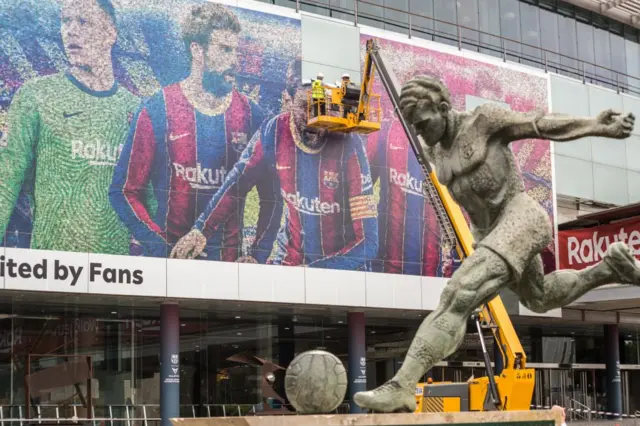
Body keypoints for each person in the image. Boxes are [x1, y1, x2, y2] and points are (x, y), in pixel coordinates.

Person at [354, 75, 639, 413]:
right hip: (493, 236)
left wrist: (595, 125)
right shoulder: (434, 149)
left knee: (458, 294)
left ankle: (402, 386)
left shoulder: (483, 121)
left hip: (521, 217)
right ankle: (607, 270)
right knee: (540, 297)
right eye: (415, 127)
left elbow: (539, 124)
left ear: (444, 108)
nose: (421, 132)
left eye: (424, 123)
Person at [169, 58, 379, 270]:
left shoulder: (349, 145)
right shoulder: (273, 132)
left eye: (321, 108)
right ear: (288, 99)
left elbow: (368, 242)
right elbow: (236, 185)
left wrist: (317, 272)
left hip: (339, 270)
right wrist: (200, 230)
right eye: (305, 107)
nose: (313, 118)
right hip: (292, 260)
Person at [109, 3, 267, 260]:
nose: (234, 60)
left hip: (231, 273)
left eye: (235, 51)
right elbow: (123, 190)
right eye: (224, 49)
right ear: (197, 50)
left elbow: (272, 195)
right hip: (171, 267)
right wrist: (160, 248)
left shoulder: (253, 116)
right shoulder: (157, 108)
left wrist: (257, 255)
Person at [0, 0, 140, 255]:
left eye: (83, 22)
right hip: (51, 270)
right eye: (66, 21)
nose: (70, 31)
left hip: (118, 275)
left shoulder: (136, 108)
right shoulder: (35, 95)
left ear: (110, 34)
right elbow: (5, 181)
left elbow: (149, 195)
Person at [366, 117, 460, 277]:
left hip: (432, 272)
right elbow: (364, 185)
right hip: (388, 266)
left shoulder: (449, 145)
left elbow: (462, 213)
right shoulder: (386, 131)